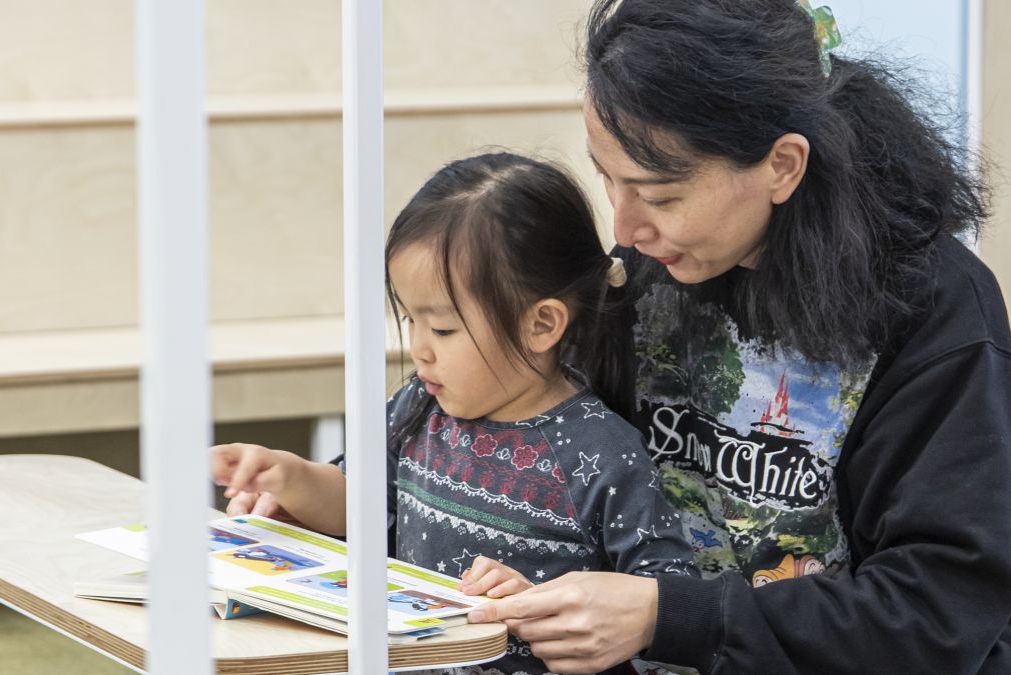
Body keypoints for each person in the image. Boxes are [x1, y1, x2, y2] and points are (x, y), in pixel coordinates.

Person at [460, 1, 1011, 673]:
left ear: (782, 165)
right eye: (607, 177)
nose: (625, 227)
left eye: (658, 195)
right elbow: (549, 432)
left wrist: (671, 614)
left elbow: (934, 612)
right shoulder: (651, 268)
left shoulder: (934, 310)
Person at [211, 152, 698, 675]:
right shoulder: (420, 406)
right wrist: (290, 477)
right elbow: (361, 505)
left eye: (442, 329)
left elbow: (664, 600)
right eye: (409, 320)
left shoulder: (601, 453)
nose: (420, 348)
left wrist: (539, 603)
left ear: (541, 325)